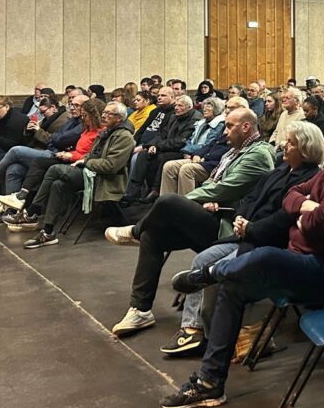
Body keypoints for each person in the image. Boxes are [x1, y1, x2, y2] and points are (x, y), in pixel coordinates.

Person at [159, 113, 324, 408]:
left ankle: (209, 273)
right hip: (301, 262)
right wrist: (307, 208)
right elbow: (292, 196)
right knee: (233, 286)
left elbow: (314, 223)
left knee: (266, 256)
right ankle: (209, 383)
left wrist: (306, 216)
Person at [159, 121, 323, 355]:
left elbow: (283, 219)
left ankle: (214, 336)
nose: (284, 146)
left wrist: (251, 228)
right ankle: (192, 329)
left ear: (306, 148)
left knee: (218, 272)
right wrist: (239, 218)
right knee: (201, 260)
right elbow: (250, 199)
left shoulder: (311, 179)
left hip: (270, 243)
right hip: (245, 235)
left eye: (291, 143)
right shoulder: (279, 170)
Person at [107, 107, 275, 334]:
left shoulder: (259, 155)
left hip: (229, 230)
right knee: (152, 236)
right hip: (216, 215)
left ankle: (134, 232)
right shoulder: (234, 151)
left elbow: (224, 189)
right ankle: (140, 310)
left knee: (169, 202)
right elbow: (213, 184)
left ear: (246, 127)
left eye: (229, 126)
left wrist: (186, 202)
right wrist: (204, 200)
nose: (224, 132)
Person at [21, 101, 134, 250]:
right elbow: (92, 154)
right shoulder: (107, 131)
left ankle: (31, 211)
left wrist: (85, 162)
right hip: (91, 173)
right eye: (104, 112)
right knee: (57, 184)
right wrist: (83, 160)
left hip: (105, 180)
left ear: (119, 118)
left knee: (54, 169)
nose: (103, 116)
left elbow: (111, 166)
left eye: (108, 113)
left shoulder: (124, 137)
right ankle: (48, 232)